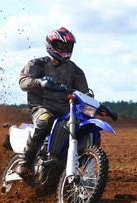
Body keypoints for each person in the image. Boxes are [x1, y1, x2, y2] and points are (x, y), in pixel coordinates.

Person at [16, 27, 91, 177]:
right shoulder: (37, 64)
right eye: (62, 46)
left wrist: (97, 104)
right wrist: (39, 82)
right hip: (41, 107)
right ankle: (24, 162)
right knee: (45, 120)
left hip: (66, 110)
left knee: (84, 127)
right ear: (52, 45)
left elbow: (85, 92)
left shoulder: (75, 70)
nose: (65, 49)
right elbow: (23, 82)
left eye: (68, 46)